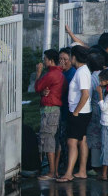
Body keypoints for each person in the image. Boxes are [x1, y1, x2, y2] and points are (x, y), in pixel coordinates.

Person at [58, 46, 92, 183]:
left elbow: (85, 94)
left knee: (72, 142)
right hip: (82, 111)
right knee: (82, 140)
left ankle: (69, 173)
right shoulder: (82, 71)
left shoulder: (82, 72)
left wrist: (76, 111)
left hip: (79, 112)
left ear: (74, 57)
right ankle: (82, 170)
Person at [34, 49, 65, 181]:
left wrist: (38, 72)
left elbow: (37, 87)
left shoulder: (51, 74)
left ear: (50, 60)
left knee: (48, 139)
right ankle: (55, 170)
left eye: (45, 59)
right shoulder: (59, 74)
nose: (44, 61)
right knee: (54, 139)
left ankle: (52, 171)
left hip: (49, 110)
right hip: (55, 109)